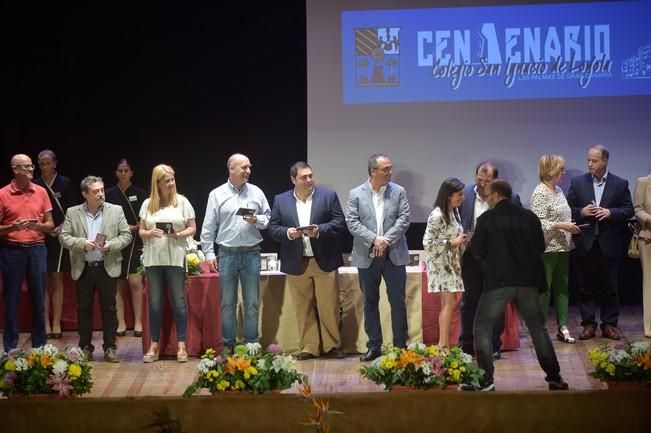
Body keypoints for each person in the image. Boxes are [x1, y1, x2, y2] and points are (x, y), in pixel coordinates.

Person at [465, 179, 568, 391]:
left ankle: (486, 380)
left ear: (495, 195)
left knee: (482, 328)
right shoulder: (529, 217)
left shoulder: (487, 218)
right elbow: (541, 246)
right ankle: (555, 377)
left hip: (499, 282)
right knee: (538, 329)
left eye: (488, 196)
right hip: (528, 282)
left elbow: (476, 251)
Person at [269, 162, 347, 360]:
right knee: (302, 308)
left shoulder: (328, 196)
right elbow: (273, 228)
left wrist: (319, 230)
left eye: (311, 176)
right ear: (293, 180)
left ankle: (331, 346)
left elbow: (339, 223)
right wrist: (288, 233)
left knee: (328, 306)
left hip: (324, 260)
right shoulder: (281, 200)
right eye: (304, 177)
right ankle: (309, 347)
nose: (309, 180)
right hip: (296, 262)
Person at [201, 153, 270, 349]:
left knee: (252, 303)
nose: (248, 171)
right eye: (244, 167)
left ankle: (251, 345)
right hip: (227, 253)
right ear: (231, 169)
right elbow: (208, 227)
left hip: (251, 253)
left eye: (249, 167)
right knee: (227, 304)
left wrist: (258, 220)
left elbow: (268, 218)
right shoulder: (217, 194)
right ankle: (229, 346)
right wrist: (209, 253)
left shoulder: (257, 192)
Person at [59, 176, 132, 362]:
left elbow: (126, 236)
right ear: (85, 194)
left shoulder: (116, 211)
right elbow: (63, 237)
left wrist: (110, 245)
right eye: (95, 191)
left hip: (106, 266)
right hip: (83, 267)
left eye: (101, 190)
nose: (100, 194)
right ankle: (85, 347)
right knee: (83, 309)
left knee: (109, 309)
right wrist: (82, 243)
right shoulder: (73, 212)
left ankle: (110, 348)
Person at [345, 153, 410, 362]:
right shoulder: (356, 194)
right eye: (386, 169)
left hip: (394, 255)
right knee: (370, 303)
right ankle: (374, 346)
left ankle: (401, 346)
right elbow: (352, 222)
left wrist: (385, 240)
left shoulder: (399, 192)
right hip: (367, 255)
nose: (390, 172)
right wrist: (374, 239)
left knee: (398, 302)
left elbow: (404, 219)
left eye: (391, 168)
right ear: (373, 172)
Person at [566, 145, 634, 340]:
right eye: (588, 160)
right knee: (585, 286)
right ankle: (588, 325)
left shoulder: (620, 184)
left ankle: (609, 324)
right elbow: (567, 208)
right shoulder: (578, 183)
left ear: (605, 161)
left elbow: (629, 210)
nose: (590, 164)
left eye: (594, 161)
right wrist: (582, 212)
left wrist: (611, 213)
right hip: (584, 242)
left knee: (610, 286)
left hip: (609, 242)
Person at [458, 162, 520, 358]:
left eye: (487, 181)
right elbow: (453, 220)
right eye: (479, 180)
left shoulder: (509, 198)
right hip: (470, 257)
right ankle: (467, 344)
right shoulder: (464, 193)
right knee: (469, 302)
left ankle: (494, 345)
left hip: (497, 260)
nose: (482, 185)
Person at [139, 164, 196, 363]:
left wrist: (178, 234)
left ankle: (181, 345)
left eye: (172, 179)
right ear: (158, 184)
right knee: (155, 303)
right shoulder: (147, 204)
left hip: (175, 257)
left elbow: (192, 228)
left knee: (179, 303)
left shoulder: (182, 202)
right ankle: (154, 345)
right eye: (167, 181)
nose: (171, 184)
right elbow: (141, 232)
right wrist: (150, 233)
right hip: (154, 259)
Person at [0, 154, 54, 353]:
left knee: (39, 299)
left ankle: (40, 348)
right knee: (11, 299)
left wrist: (37, 226)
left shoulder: (40, 192)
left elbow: (50, 225)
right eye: (27, 166)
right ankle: (10, 349)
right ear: (15, 170)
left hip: (37, 249)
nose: (32, 169)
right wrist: (10, 228)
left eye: (32, 166)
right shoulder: (3, 194)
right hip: (11, 250)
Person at [530, 155, 581, 344]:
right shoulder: (540, 193)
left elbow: (563, 215)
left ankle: (563, 326)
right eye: (561, 169)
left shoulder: (558, 190)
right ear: (551, 170)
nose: (563, 172)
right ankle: (539, 330)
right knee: (545, 289)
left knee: (563, 287)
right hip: (547, 248)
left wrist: (570, 227)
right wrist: (561, 225)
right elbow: (538, 223)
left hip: (563, 246)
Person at [33, 149, 77, 339]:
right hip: (41, 236)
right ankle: (45, 322)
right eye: (41, 164)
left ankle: (57, 322)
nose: (45, 167)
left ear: (55, 163)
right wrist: (45, 229)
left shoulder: (65, 183)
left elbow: (73, 210)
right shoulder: (35, 185)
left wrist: (60, 229)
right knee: (43, 280)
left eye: (48, 163)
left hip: (59, 236)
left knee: (57, 278)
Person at [423, 177, 467, 350]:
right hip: (441, 265)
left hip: (452, 263)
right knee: (448, 303)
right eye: (459, 194)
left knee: (451, 302)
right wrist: (451, 243)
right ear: (448, 195)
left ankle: (445, 343)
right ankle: (443, 345)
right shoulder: (437, 215)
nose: (462, 197)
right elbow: (427, 243)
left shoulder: (453, 212)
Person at [105, 159, 147, 337]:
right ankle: (120, 322)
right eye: (120, 171)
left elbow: (144, 219)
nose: (123, 173)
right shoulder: (109, 193)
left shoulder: (140, 192)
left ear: (131, 173)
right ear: (116, 173)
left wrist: (134, 228)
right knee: (118, 284)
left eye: (126, 170)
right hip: (116, 242)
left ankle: (138, 322)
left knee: (136, 283)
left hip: (135, 242)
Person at [634, 174, 651, 338]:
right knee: (649, 281)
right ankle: (650, 325)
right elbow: (638, 209)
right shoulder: (644, 182)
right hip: (648, 237)